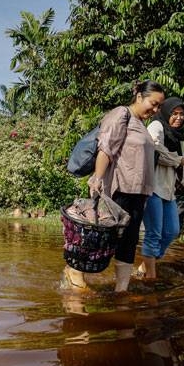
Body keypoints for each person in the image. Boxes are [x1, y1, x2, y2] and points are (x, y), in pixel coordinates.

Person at [63, 80, 165, 293]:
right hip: (118, 190)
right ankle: (74, 272)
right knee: (101, 237)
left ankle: (121, 290)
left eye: (158, 107)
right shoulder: (121, 114)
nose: (155, 110)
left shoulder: (141, 125)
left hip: (139, 194)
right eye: (152, 104)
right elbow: (106, 148)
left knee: (128, 242)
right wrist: (97, 178)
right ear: (139, 97)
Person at [139, 97, 184, 280]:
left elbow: (182, 166)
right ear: (167, 112)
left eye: (182, 114)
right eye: (175, 114)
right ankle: (150, 276)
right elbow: (154, 150)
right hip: (152, 187)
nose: (179, 117)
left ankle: (146, 265)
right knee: (154, 232)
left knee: (171, 231)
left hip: (168, 190)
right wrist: (181, 160)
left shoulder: (178, 138)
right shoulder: (156, 127)